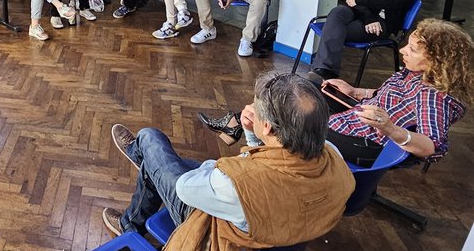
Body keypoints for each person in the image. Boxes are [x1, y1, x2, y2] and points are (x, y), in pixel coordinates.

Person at [101, 72, 354, 251]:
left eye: (257, 107)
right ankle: (140, 193)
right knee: (159, 166)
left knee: (149, 138)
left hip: (211, 237)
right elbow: (272, 167)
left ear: (267, 126)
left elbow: (186, 188)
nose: (252, 108)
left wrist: (216, 165)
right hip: (272, 246)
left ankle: (138, 179)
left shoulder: (237, 183)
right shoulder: (334, 158)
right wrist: (250, 133)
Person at [199, 19, 473, 167]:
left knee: (287, 118)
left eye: (412, 50)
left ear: (438, 62)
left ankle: (248, 144)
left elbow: (433, 147)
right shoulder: (414, 73)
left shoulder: (433, 95)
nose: (402, 51)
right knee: (302, 86)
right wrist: (356, 90)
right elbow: (389, 95)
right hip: (355, 119)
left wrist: (390, 128)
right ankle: (243, 129)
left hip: (367, 143)